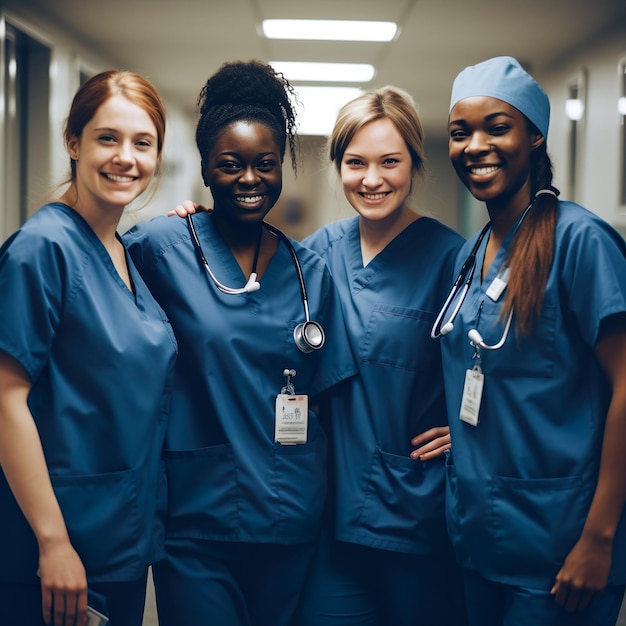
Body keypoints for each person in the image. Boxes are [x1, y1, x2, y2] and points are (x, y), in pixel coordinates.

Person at [122, 59, 356, 626]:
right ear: (204, 169)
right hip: (197, 521)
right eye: (229, 165)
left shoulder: (311, 271)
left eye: (264, 164)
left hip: (292, 517)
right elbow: (98, 319)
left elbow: (330, 401)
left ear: (281, 168)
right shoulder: (160, 249)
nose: (248, 179)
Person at [433, 55, 626, 625]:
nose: (475, 145)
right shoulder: (475, 251)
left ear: (535, 135)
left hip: (561, 546)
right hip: (481, 537)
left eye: (497, 127)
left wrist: (599, 537)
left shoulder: (580, 241)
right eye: (460, 132)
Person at [0, 70, 177, 626]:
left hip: (115, 542)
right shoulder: (42, 248)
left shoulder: (123, 252)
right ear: (73, 143)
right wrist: (52, 542)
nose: (125, 157)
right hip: (53, 551)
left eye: (142, 143)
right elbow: (6, 399)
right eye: (107, 138)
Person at [295, 86, 467, 626]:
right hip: (330, 513)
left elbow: (497, 369)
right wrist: (199, 223)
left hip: (416, 513)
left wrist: (465, 436)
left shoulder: (451, 257)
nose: (372, 179)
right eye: (356, 163)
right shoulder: (319, 251)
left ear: (415, 163)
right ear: (338, 166)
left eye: (390, 161)